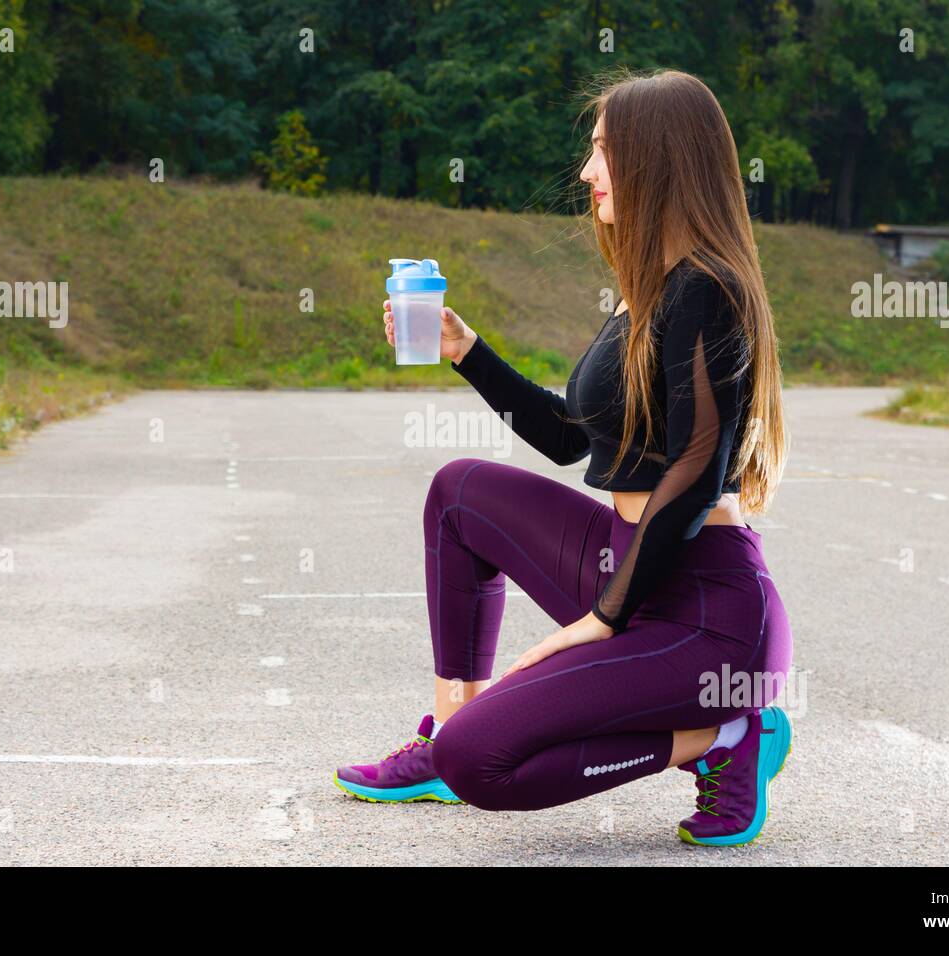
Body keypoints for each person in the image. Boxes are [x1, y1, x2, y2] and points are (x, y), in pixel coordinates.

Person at [335, 69, 794, 846]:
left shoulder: (710, 290)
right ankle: (447, 725)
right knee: (459, 492)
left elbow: (697, 468)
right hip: (630, 563)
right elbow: (567, 437)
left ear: (658, 159)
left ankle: (726, 738)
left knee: (486, 761)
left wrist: (601, 618)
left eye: (603, 152)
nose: (587, 172)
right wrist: (467, 352)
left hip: (707, 615)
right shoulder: (644, 292)